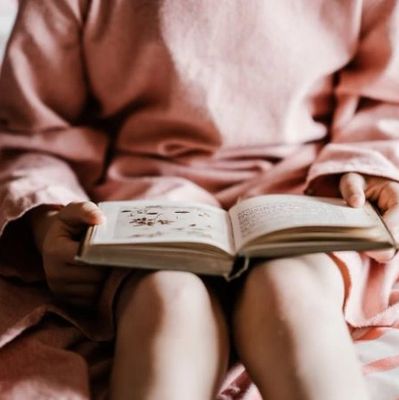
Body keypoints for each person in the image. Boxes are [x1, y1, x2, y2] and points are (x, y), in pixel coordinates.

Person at [0, 1, 398, 399]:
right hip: (140, 198)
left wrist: (371, 166)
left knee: (292, 294)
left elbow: (386, 98)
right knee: (167, 301)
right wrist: (50, 219)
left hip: (308, 189)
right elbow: (34, 134)